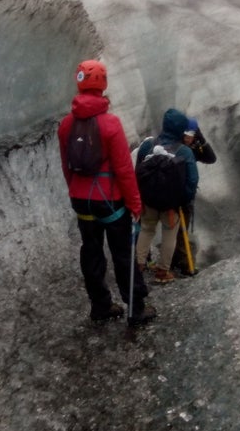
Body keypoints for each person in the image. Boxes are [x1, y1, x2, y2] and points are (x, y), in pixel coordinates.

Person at [58, 59, 156, 327]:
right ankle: (135, 309)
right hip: (110, 202)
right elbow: (124, 170)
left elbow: (66, 166)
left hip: (82, 201)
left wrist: (75, 192)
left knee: (91, 252)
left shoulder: (66, 124)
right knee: (123, 254)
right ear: (103, 84)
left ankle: (100, 305)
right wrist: (135, 204)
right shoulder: (110, 124)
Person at [135, 108, 199, 284]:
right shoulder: (185, 151)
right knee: (169, 233)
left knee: (147, 230)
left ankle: (139, 265)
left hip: (149, 201)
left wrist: (142, 195)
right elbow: (192, 180)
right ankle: (163, 271)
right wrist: (182, 200)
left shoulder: (148, 145)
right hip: (171, 204)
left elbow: (138, 170)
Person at [170, 117, 216, 275]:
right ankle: (184, 264)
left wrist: (202, 141)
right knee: (179, 229)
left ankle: (177, 260)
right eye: (186, 135)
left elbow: (211, 158)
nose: (189, 138)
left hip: (186, 195)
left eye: (191, 135)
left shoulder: (193, 147)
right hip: (176, 195)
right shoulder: (177, 148)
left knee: (181, 229)